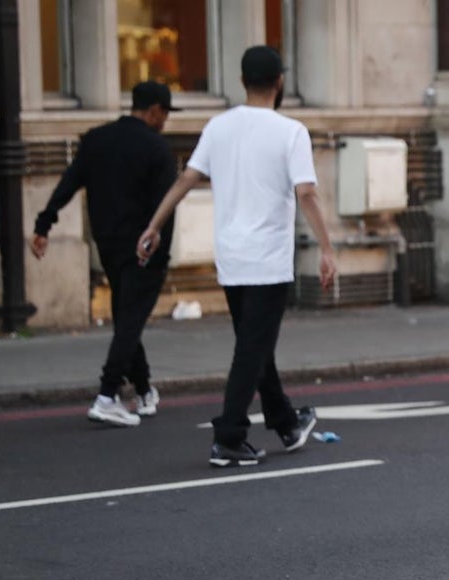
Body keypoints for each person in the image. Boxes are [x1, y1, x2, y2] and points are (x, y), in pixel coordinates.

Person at [137, 45, 337, 468]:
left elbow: (186, 179)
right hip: (267, 260)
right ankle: (229, 435)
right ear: (279, 82)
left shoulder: (218, 127)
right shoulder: (291, 132)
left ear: (242, 82)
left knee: (255, 345)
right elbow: (307, 194)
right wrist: (327, 248)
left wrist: (154, 225)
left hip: (230, 258)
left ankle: (285, 421)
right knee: (251, 350)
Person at [30, 80, 179, 428]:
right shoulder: (157, 149)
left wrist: (44, 223)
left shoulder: (96, 139)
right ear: (155, 110)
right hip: (145, 247)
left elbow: (69, 182)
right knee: (130, 320)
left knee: (128, 315)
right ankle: (107, 395)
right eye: (166, 113)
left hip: (109, 243)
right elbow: (166, 206)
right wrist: (159, 249)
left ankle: (144, 391)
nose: (166, 121)